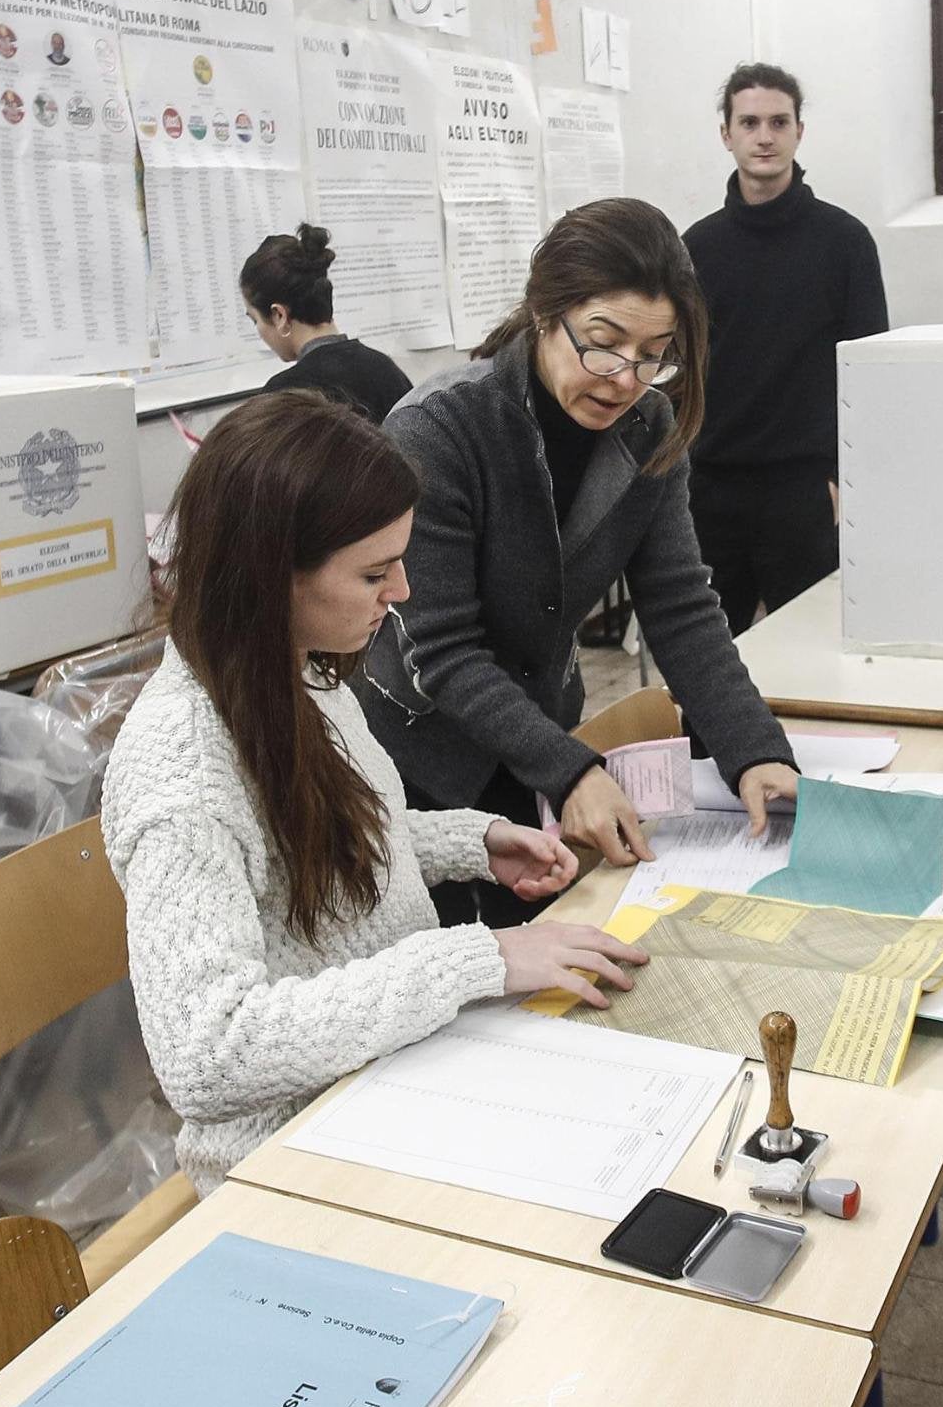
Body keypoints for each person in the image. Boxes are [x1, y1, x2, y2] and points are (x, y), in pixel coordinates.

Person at [103, 390, 646, 1194]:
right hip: (296, 1155)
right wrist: (475, 958)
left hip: (391, 1083)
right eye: (372, 571)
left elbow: (316, 839)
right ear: (269, 574)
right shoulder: (182, 774)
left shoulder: (297, 672)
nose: (402, 592)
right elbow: (207, 1054)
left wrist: (467, 843)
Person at [363, 198, 802, 924]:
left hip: (533, 745)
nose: (625, 377)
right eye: (602, 342)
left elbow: (682, 608)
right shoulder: (443, 430)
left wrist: (753, 751)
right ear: (545, 312)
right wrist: (572, 771)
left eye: (654, 354)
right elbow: (442, 652)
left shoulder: (646, 426)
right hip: (420, 764)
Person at [683, 62, 888, 633]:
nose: (765, 136)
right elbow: (681, 371)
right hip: (712, 490)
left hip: (803, 493)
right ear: (727, 134)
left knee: (810, 656)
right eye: (749, 122)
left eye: (779, 121)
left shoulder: (844, 242)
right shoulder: (696, 247)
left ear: (800, 131)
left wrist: (847, 480)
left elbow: (868, 371)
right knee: (711, 658)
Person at [241, 224, 413, 422]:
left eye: (255, 320)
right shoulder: (385, 369)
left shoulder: (283, 396)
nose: (259, 330)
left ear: (279, 315)